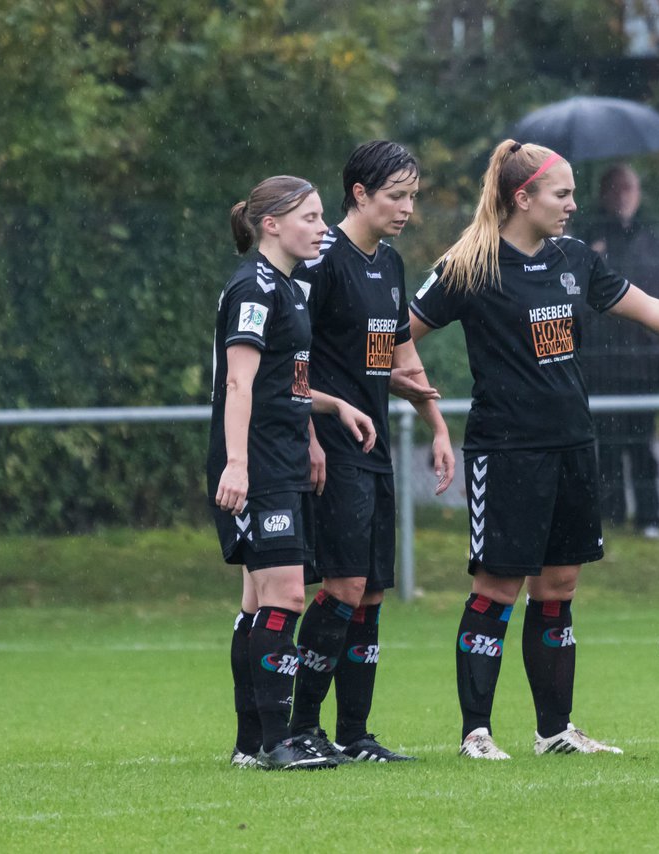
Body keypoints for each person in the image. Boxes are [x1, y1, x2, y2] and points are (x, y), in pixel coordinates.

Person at [409, 140, 659, 760]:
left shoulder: (575, 258)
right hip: (506, 450)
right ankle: (476, 732)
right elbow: (397, 330)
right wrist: (418, 395)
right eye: (562, 194)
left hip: (574, 445)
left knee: (557, 585)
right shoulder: (470, 264)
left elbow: (647, 308)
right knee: (497, 587)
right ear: (521, 197)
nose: (573, 206)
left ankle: (555, 731)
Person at [287, 141, 454, 763]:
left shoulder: (390, 262)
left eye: (412, 195)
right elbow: (292, 357)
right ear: (359, 194)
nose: (408, 207)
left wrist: (436, 425)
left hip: (375, 442)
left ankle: (355, 734)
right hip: (334, 442)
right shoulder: (321, 259)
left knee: (374, 590)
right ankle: (301, 727)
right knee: (345, 584)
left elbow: (397, 354)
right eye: (396, 196)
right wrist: (307, 435)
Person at [208, 175, 376, 771]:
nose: (322, 227)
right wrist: (236, 465)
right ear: (271, 224)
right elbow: (239, 383)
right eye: (309, 217)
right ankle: (279, 741)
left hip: (282, 453)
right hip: (257, 460)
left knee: (259, 600)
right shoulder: (254, 288)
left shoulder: (290, 289)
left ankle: (251, 744)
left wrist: (327, 414)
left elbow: (291, 383)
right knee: (285, 595)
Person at [576, 164, 659, 538]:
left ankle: (649, 517)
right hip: (599, 366)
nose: (624, 195)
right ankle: (611, 514)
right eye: (616, 188)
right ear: (605, 193)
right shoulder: (587, 241)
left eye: (630, 188)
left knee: (641, 442)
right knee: (605, 443)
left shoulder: (654, 241)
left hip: (644, 368)